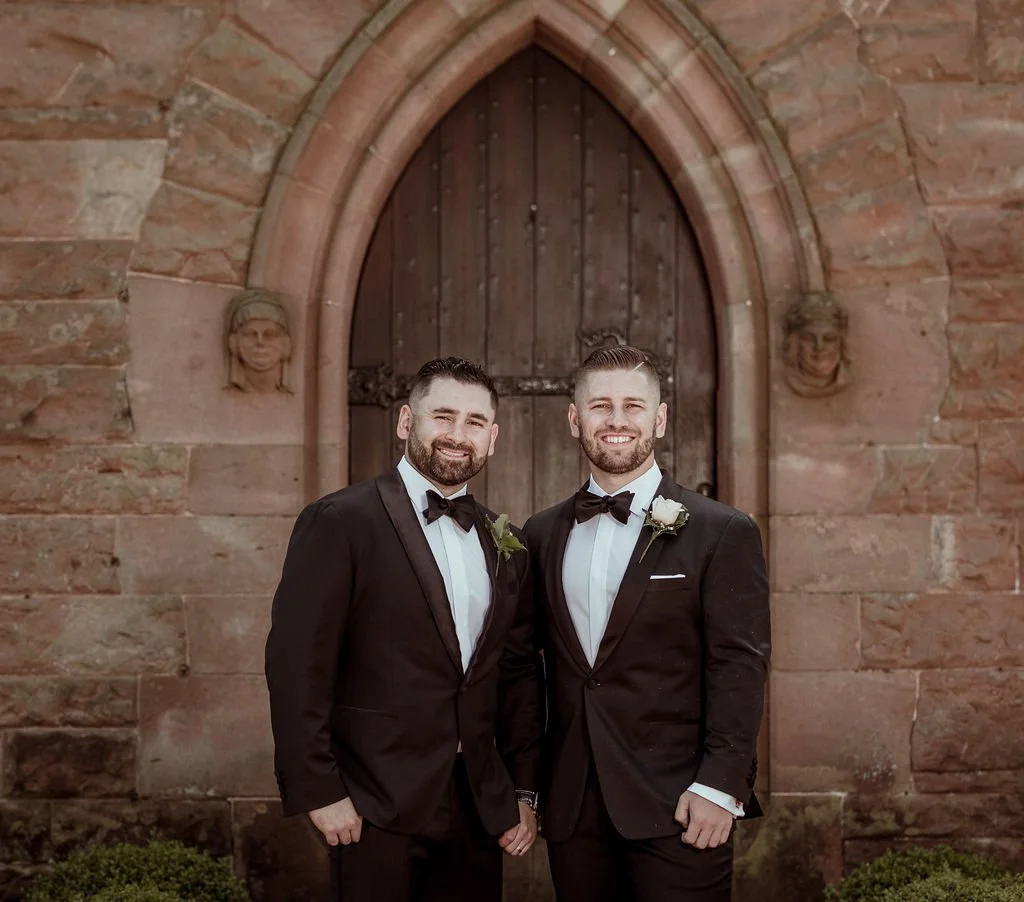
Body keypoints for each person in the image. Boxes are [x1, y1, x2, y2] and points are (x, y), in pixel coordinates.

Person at [265, 357, 543, 902]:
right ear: (405, 421)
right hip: (372, 799)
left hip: (478, 803)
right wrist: (318, 790)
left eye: (475, 422)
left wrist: (523, 791)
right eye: (443, 416)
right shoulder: (340, 520)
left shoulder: (505, 543)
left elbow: (516, 675)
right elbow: (297, 665)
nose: (458, 434)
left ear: (492, 438)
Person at [524, 345, 771, 902]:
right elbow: (524, 669)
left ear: (659, 419)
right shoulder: (540, 534)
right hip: (574, 807)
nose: (616, 420)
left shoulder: (720, 531)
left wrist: (720, 785)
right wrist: (526, 786)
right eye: (600, 406)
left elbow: (739, 665)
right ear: (574, 419)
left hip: (682, 802)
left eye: (633, 406)